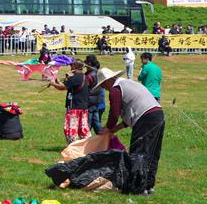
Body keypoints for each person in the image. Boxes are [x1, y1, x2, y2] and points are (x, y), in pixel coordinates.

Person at [94, 67, 165, 195]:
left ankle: (139, 187)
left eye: (104, 84)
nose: (104, 88)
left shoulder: (115, 90)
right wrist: (114, 129)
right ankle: (149, 186)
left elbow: (114, 114)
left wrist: (108, 127)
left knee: (139, 153)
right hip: (158, 115)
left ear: (109, 80)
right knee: (153, 152)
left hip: (146, 119)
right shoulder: (127, 84)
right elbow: (128, 119)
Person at [47, 61, 90, 143]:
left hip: (74, 107)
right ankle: (87, 146)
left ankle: (73, 147)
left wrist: (52, 83)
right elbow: (66, 86)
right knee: (83, 128)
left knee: (71, 129)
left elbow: (62, 87)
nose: (70, 67)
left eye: (71, 65)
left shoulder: (75, 78)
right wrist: (57, 82)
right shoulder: (84, 77)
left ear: (74, 66)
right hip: (83, 107)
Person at [84, 55, 105, 133]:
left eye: (86, 62)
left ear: (89, 63)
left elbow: (84, 87)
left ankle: (85, 142)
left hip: (90, 102)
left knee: (87, 124)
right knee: (96, 124)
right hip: (97, 101)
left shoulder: (90, 75)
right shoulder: (98, 72)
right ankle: (103, 140)